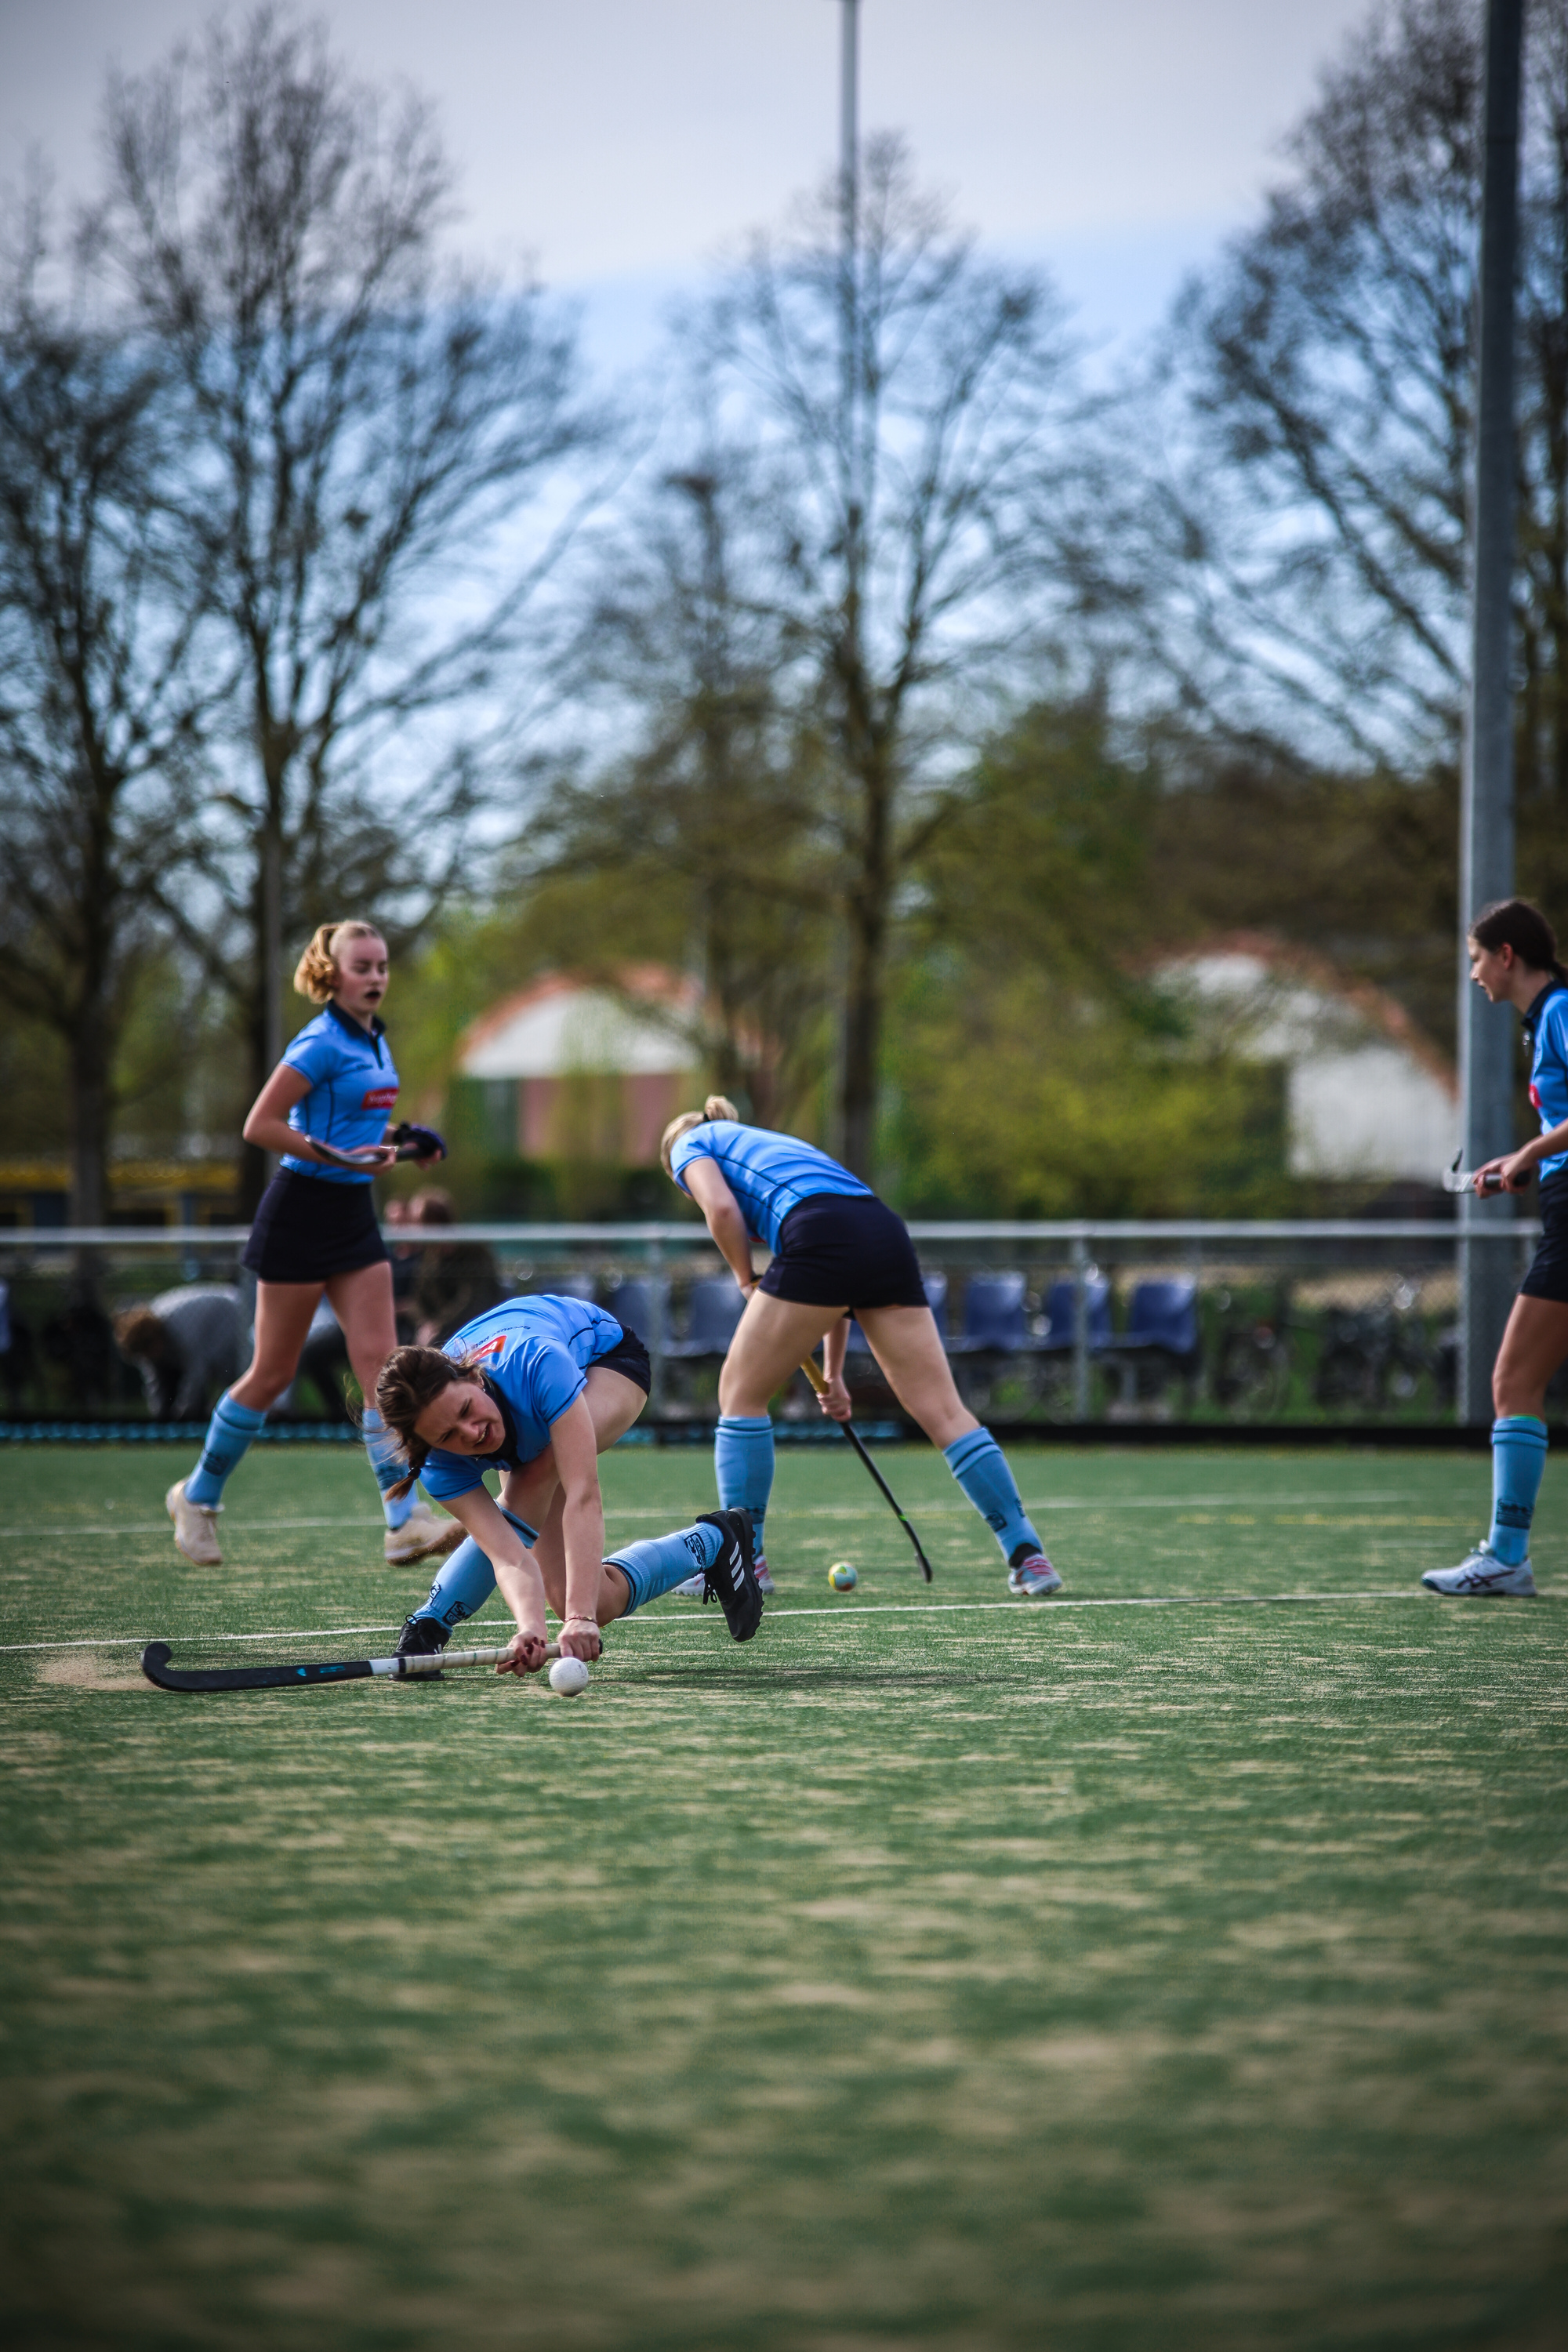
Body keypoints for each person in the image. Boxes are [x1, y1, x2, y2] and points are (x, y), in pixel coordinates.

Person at [659, 1095, 1063, 1599]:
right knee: (944, 1410)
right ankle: (1028, 1556)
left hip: (820, 1232)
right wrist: (834, 1377)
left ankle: (745, 1563)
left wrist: (744, 1276)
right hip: (881, 1233)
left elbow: (721, 1209)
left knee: (740, 1395)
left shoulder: (688, 1144)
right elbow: (834, 1283)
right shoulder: (769, 1148)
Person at [164, 920, 459, 1571]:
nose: (376, 977)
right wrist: (342, 1156)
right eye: (363, 966)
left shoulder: (375, 1039)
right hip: (299, 1212)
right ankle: (197, 1496)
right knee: (271, 1374)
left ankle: (402, 1519)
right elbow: (260, 1125)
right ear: (333, 973)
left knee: (383, 1371)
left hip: (353, 1214)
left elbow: (359, 1122)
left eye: (382, 966)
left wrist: (408, 1138)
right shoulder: (319, 1041)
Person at [376, 1292, 763, 1670]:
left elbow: (583, 1495)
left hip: (605, 1361)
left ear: (474, 1379)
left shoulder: (537, 1363)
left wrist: (580, 1619)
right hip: (530, 1407)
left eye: (466, 1410)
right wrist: (532, 1628)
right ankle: (715, 1540)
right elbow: (507, 1553)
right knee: (594, 1600)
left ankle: (428, 1626)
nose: (471, 1433)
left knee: (537, 1477)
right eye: (448, 1436)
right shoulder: (437, 1464)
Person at [1425, 898, 1568, 1599]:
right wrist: (1526, 1165)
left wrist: (1531, 1151)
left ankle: (1507, 1558)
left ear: (1507, 955)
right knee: (1517, 1382)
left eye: (1477, 959)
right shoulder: (1544, 1019)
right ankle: (1505, 1556)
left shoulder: (1562, 1010)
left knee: (1513, 1383)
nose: (1475, 974)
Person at [114, 1285, 245, 1422]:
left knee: (230, 1374)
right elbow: (153, 1381)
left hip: (232, 1316)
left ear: (155, 1340)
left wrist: (182, 1414)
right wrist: (160, 1416)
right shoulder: (148, 1340)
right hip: (216, 1316)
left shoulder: (180, 1330)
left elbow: (197, 1373)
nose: (151, 1358)